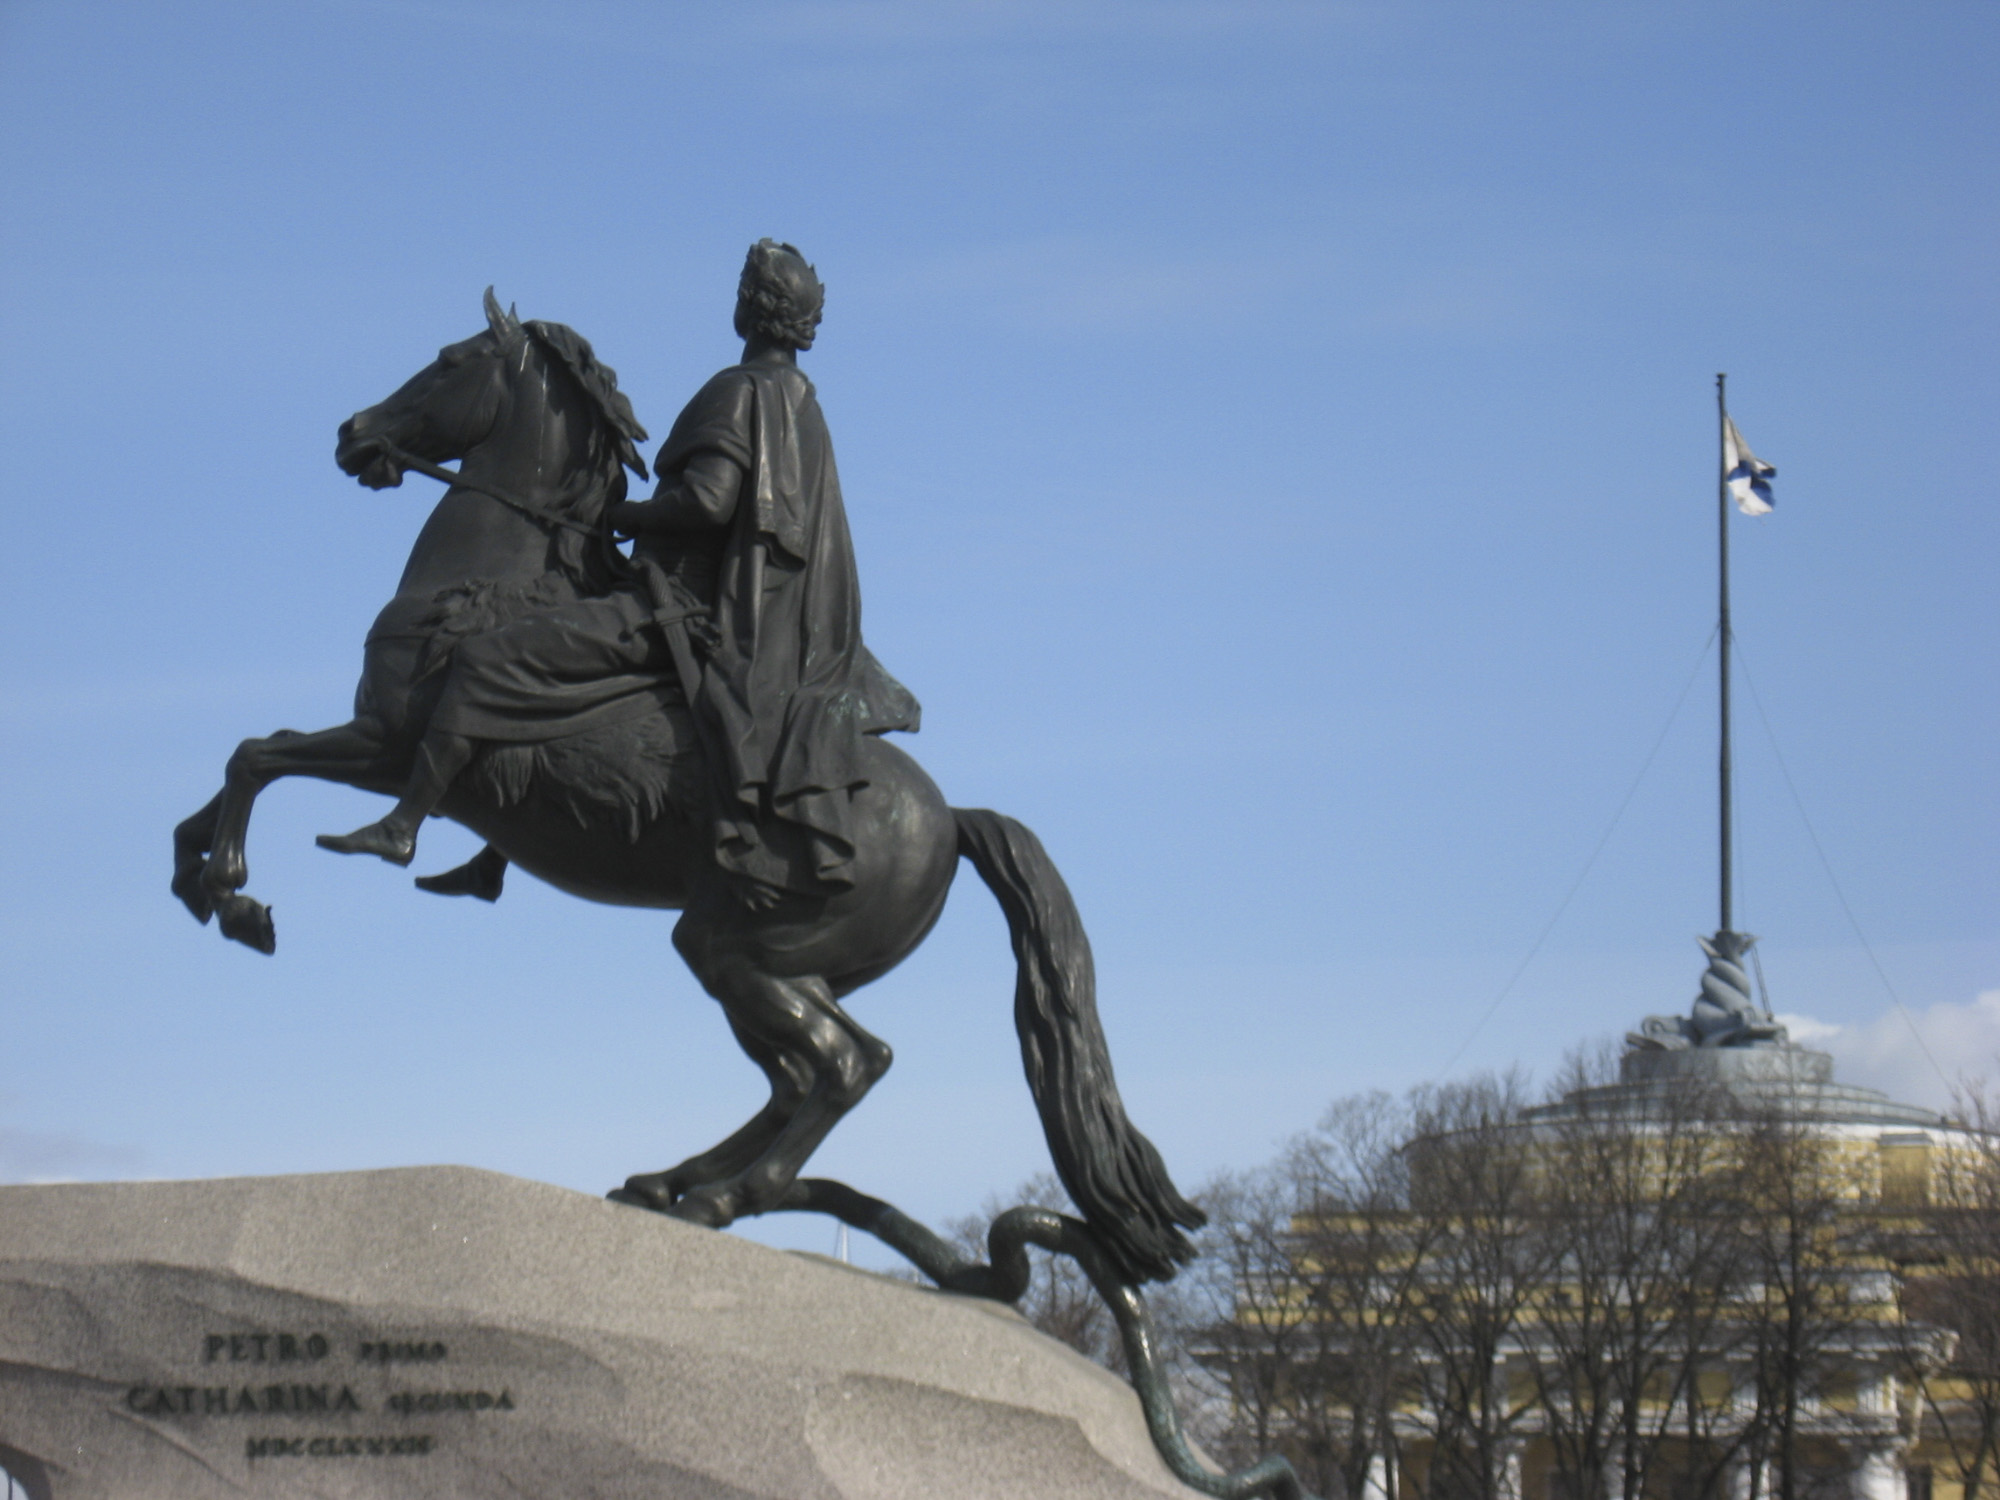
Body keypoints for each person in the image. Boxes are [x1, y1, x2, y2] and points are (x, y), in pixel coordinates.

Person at [319, 240, 918, 908]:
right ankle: (494, 857)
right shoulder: (803, 406)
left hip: (674, 607)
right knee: (555, 670)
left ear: (751, 309)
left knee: (493, 659)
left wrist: (629, 513)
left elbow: (710, 501)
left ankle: (403, 826)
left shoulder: (739, 390)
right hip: (737, 615)